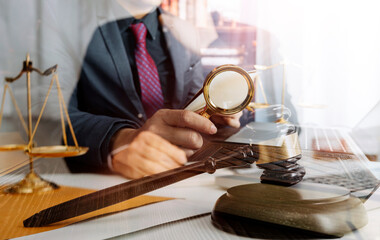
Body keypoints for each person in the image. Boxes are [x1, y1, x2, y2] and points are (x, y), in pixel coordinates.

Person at [65, 1, 242, 179]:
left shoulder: (185, 31)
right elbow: (47, 117)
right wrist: (120, 140)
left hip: (177, 177)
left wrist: (215, 111)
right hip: (97, 181)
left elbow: (193, 105)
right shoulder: (66, 25)